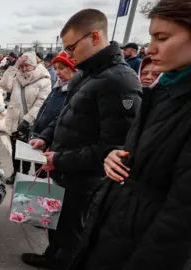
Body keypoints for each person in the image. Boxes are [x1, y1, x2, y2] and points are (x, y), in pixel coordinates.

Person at [68, 1, 191, 269]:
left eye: (162, 37)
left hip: (140, 242)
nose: (150, 48)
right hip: (117, 221)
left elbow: (180, 220)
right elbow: (140, 149)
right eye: (151, 37)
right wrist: (114, 155)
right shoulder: (165, 93)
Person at [24, 9, 142, 269]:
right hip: (64, 171)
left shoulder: (120, 81)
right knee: (55, 223)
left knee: (72, 235)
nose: (68, 55)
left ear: (95, 37)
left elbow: (115, 148)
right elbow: (66, 115)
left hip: (85, 181)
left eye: (72, 47)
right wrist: (44, 138)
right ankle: (50, 257)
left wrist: (61, 159)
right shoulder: (86, 74)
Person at [2, 52, 52, 185]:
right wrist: (14, 66)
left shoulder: (44, 81)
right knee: (15, 149)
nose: (23, 69)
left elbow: (41, 103)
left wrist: (27, 120)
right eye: (22, 66)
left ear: (34, 65)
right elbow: (5, 85)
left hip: (29, 123)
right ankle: (16, 172)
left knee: (28, 153)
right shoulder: (17, 76)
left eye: (27, 66)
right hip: (14, 120)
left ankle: (24, 176)